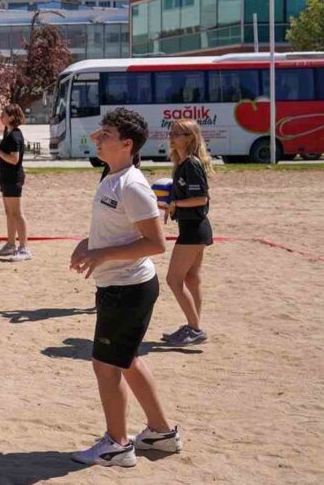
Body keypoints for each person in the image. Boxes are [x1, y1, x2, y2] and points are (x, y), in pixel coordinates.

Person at [69, 108, 182, 467]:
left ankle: (117, 445)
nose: (98, 138)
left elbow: (155, 243)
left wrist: (101, 254)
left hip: (128, 288)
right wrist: (88, 243)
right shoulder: (112, 175)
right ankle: (162, 433)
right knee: (127, 359)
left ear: (127, 144)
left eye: (106, 134)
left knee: (106, 365)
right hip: (120, 285)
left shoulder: (133, 185)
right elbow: (118, 229)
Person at [160, 118, 213, 346]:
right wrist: (171, 205)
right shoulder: (182, 163)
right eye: (171, 133)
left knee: (173, 279)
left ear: (190, 138)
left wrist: (175, 205)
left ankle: (194, 328)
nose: (171, 137)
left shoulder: (191, 164)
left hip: (194, 228)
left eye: (177, 134)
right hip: (193, 227)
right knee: (192, 278)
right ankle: (194, 326)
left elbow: (201, 198)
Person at [0, 105, 30, 261]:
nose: (1, 116)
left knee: (17, 213)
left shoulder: (15, 136)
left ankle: (24, 249)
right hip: (6, 178)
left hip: (14, 178)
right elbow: (6, 161)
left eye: (4, 114)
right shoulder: (7, 133)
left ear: (12, 117)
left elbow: (13, 160)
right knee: (9, 213)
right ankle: (10, 244)